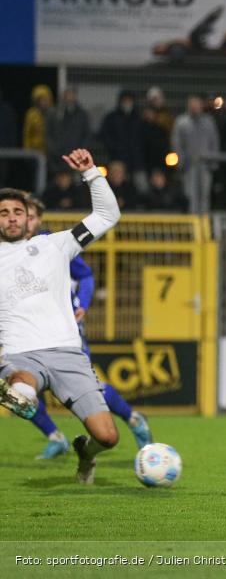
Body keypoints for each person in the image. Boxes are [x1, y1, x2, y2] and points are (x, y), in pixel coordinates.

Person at [0, 148, 122, 484]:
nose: (11, 217)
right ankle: (17, 393)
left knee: (108, 437)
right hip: (21, 354)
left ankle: (85, 451)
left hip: (68, 354)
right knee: (22, 391)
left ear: (29, 218)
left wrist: (92, 173)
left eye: (17, 212)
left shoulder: (57, 245)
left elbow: (107, 215)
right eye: (3, 212)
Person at [23, 195, 153, 459]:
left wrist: (81, 302)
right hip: (30, 333)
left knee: (88, 387)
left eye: (31, 216)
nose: (24, 221)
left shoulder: (52, 245)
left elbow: (85, 275)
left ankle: (134, 419)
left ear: (38, 220)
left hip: (66, 331)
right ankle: (55, 436)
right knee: (20, 389)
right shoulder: (8, 253)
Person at [172, 94, 220, 206]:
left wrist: (214, 163)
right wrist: (180, 163)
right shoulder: (181, 122)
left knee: (205, 194)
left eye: (196, 104)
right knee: (189, 194)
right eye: (192, 104)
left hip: (205, 165)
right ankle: (192, 220)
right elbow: (176, 144)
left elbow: (214, 142)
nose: (194, 107)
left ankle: (204, 221)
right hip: (188, 165)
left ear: (201, 105)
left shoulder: (209, 121)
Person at [23, 85, 54, 155]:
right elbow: (27, 134)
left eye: (46, 99)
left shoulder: (54, 114)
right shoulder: (31, 115)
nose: (44, 102)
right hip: (35, 151)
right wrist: (27, 150)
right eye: (41, 100)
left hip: (50, 151)